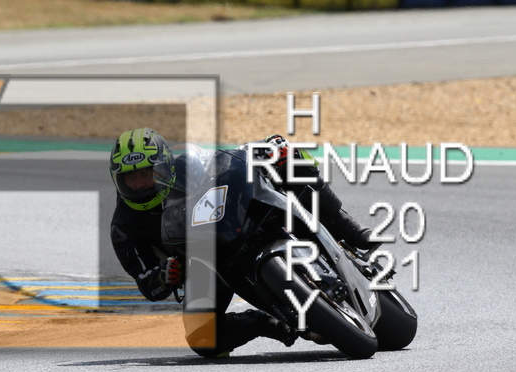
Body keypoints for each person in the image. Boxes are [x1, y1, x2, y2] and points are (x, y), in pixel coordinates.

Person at [109, 127, 374, 358]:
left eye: (146, 174)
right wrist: (165, 276)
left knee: (285, 156)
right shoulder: (124, 227)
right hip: (203, 266)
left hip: (236, 219)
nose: (139, 185)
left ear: (163, 165)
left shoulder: (187, 165)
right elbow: (148, 285)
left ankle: (344, 224)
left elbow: (228, 160)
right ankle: (264, 323)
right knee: (203, 339)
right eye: (130, 178)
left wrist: (266, 147)